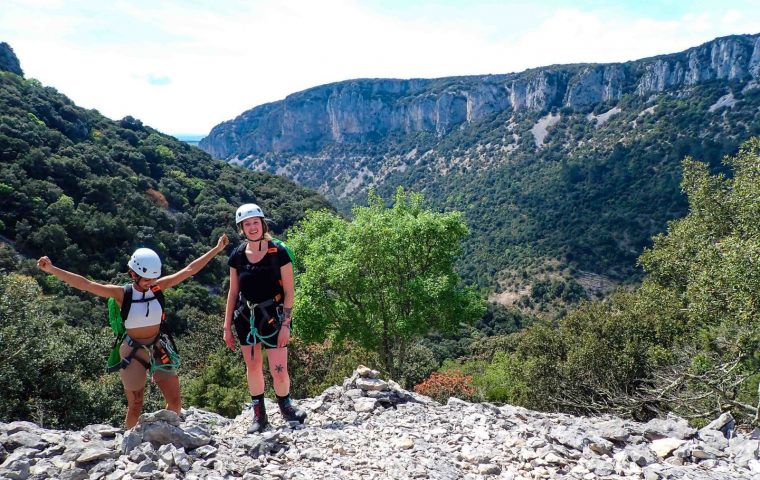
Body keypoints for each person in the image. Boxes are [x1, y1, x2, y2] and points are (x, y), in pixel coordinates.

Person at [37, 234, 229, 428]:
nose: (150, 282)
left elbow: (189, 270)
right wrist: (52, 270)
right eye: (146, 278)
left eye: (153, 278)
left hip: (158, 347)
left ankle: (167, 435)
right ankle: (128, 445)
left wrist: (216, 249)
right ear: (133, 274)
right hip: (132, 350)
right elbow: (86, 284)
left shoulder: (158, 287)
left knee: (175, 402)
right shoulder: (122, 293)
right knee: (136, 405)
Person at [224, 203, 306, 433]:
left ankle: (286, 406)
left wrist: (286, 325)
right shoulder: (238, 256)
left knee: (279, 368)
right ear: (242, 228)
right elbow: (232, 293)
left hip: (274, 317)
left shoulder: (279, 252)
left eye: (255, 223)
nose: (252, 227)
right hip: (246, 318)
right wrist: (226, 327)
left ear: (262, 224)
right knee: (253, 366)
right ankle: (259, 414)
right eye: (247, 224)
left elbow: (290, 291)